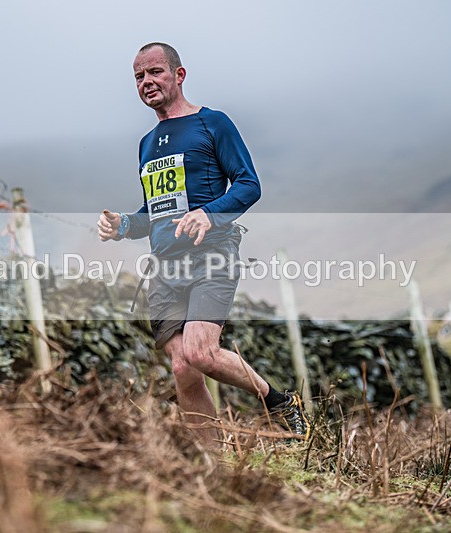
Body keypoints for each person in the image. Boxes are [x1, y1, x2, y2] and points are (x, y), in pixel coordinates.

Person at [98, 42, 311, 446]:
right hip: (164, 268)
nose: (147, 82)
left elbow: (249, 184)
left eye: (156, 72)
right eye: (139, 76)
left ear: (179, 75)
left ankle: (280, 402)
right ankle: (214, 467)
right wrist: (123, 224)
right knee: (183, 368)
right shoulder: (147, 143)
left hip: (211, 255)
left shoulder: (213, 123)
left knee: (201, 352)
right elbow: (155, 212)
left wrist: (209, 214)